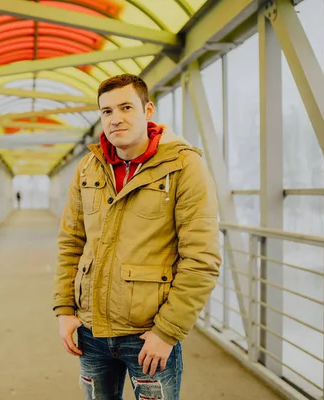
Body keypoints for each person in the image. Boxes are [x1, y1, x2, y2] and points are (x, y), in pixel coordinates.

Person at [52, 73, 221, 400]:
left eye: (125, 107)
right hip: (90, 332)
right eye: (107, 111)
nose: (115, 119)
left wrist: (167, 332)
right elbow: (70, 244)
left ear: (148, 110)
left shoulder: (184, 166)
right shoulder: (88, 168)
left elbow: (201, 259)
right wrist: (64, 311)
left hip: (148, 336)